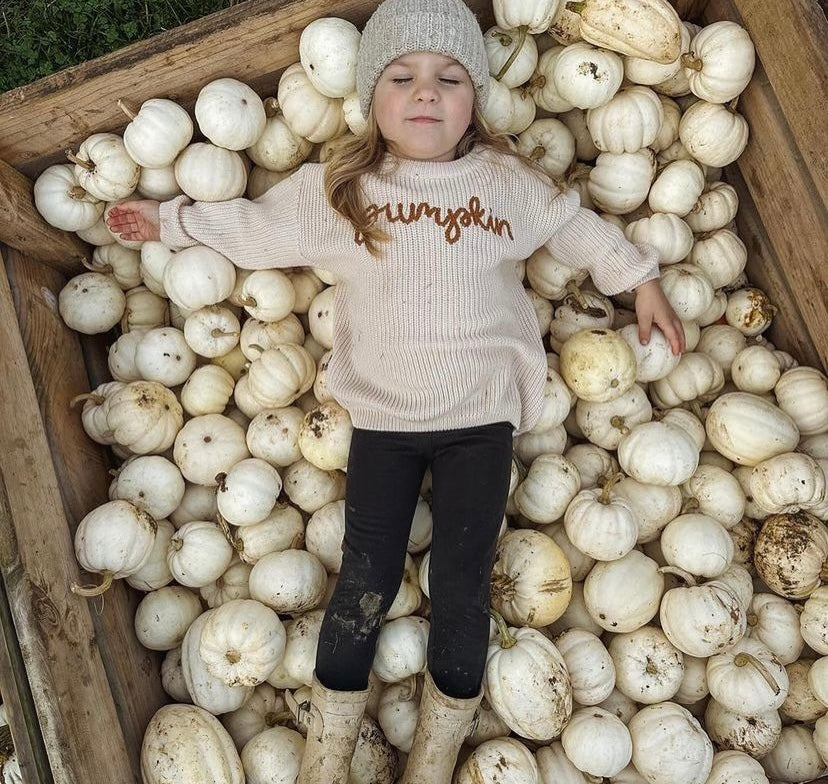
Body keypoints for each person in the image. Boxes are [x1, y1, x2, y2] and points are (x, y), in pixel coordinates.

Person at [108, 0, 685, 780]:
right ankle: (327, 748)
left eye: (449, 78)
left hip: (481, 422)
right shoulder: (342, 191)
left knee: (460, 582)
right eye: (402, 76)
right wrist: (171, 221)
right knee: (365, 579)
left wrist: (638, 279)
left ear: (474, 101)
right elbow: (254, 228)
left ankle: (438, 751)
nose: (426, 93)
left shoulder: (505, 183)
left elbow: (572, 227)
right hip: (382, 419)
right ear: (372, 100)